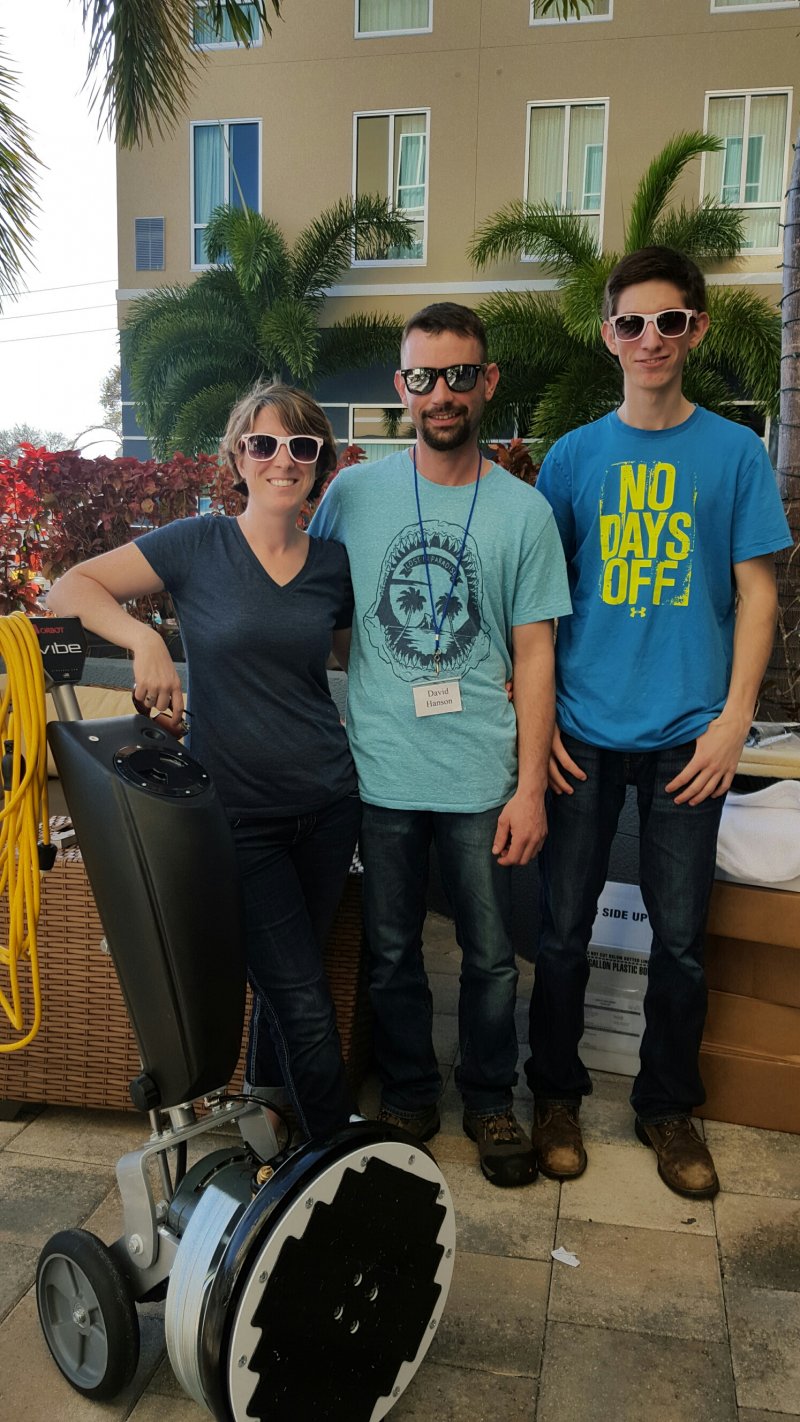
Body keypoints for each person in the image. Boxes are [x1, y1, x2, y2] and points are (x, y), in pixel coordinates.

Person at [527, 246, 793, 1199]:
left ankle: (667, 1107)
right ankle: (554, 1096)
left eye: (669, 321)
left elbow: (758, 596)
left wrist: (733, 724)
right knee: (561, 930)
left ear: (696, 330)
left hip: (691, 736)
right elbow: (537, 606)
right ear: (609, 335)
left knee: (681, 940)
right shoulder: (573, 458)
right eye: (632, 323)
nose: (650, 338)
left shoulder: (735, 454)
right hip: (583, 732)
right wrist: (540, 725)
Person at [48, 384, 362, 1144]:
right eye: (264, 444)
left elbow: (354, 665)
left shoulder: (333, 564)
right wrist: (146, 641)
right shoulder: (197, 544)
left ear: (319, 463)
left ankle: (269, 1105)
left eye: (301, 446)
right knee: (303, 998)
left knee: (291, 983)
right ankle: (341, 1156)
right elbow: (70, 587)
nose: (283, 460)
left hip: (328, 803)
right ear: (238, 458)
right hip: (241, 814)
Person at [310, 302, 571, 1188]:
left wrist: (529, 788)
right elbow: (314, 606)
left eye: (460, 375)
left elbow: (535, 654)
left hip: (481, 777)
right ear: (402, 386)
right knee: (392, 953)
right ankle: (411, 1092)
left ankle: (490, 1099)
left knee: (491, 958)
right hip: (381, 772)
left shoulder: (524, 512)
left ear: (487, 381)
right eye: (424, 377)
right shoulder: (353, 496)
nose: (443, 394)